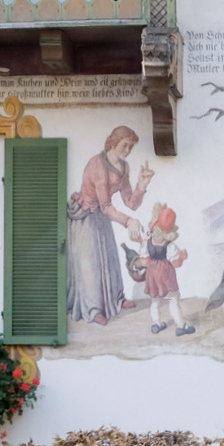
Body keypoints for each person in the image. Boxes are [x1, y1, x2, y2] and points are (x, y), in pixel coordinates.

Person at [67, 126, 153, 325]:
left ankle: (116, 299)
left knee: (111, 258)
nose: (128, 149)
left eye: (131, 146)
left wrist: (142, 185)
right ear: (113, 143)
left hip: (102, 217)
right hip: (86, 216)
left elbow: (131, 202)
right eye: (125, 145)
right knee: (91, 264)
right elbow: (105, 206)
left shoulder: (124, 167)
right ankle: (93, 309)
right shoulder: (98, 165)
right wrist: (128, 221)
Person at [141, 203, 193, 337]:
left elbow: (144, 261)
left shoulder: (147, 241)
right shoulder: (170, 246)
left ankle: (156, 324)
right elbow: (176, 264)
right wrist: (182, 257)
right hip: (166, 276)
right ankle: (181, 326)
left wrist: (153, 265)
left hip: (152, 275)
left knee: (155, 300)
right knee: (173, 299)